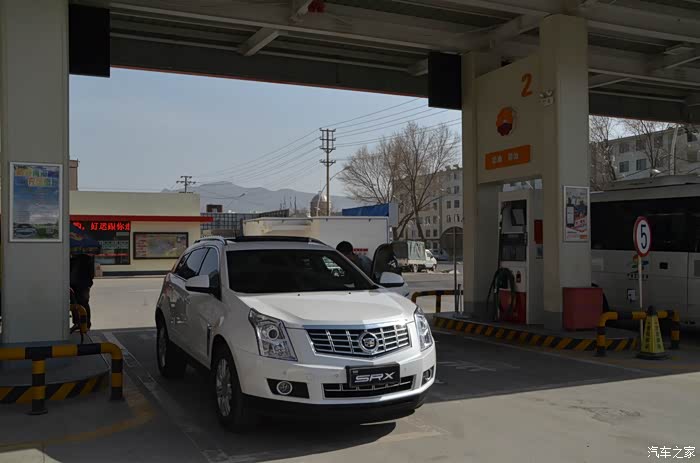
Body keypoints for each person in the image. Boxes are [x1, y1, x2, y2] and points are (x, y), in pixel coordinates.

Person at [70, 254, 94, 328]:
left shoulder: (73, 259)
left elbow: (91, 274)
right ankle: (83, 323)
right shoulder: (88, 259)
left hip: (78, 285)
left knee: (79, 304)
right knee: (81, 304)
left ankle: (81, 323)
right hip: (79, 285)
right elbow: (91, 274)